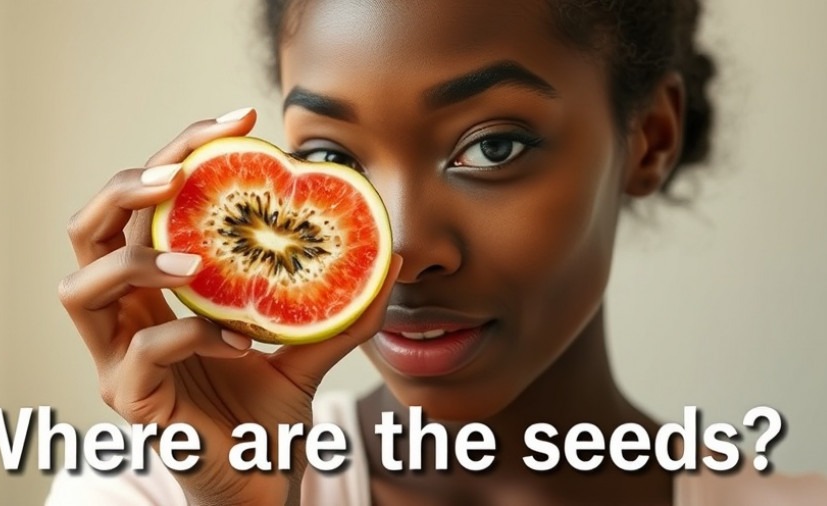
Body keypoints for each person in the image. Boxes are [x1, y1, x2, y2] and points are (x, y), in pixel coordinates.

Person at [50, 0, 826, 504]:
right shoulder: (147, 484)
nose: (405, 248)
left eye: (491, 147)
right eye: (336, 163)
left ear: (648, 138)